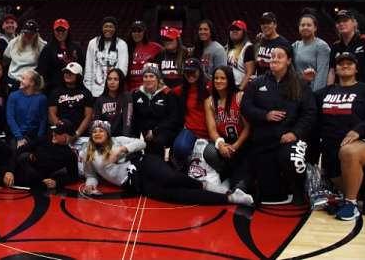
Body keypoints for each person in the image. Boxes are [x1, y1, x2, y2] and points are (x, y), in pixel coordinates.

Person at [82, 120, 254, 206]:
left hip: (143, 162)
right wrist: (90, 184)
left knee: (171, 178)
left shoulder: (118, 140)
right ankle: (231, 198)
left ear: (108, 133)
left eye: (101, 130)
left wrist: (123, 149)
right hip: (135, 183)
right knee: (179, 196)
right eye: (94, 131)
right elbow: (90, 174)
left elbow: (141, 143)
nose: (97, 133)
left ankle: (221, 189)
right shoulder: (88, 154)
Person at [241, 45, 316, 205]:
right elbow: (245, 107)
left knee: (291, 159)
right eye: (272, 56)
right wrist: (265, 115)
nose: (274, 59)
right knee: (270, 196)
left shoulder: (300, 84)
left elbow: (309, 113)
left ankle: (299, 187)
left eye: (279, 56)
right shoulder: (257, 83)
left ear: (289, 60)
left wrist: (295, 133)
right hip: (263, 140)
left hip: (289, 139)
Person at [315, 52, 365, 220]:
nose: (344, 66)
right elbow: (308, 111)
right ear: (335, 69)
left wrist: (358, 130)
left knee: (348, 152)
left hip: (361, 142)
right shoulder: (324, 92)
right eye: (340, 63)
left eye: (349, 63)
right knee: (338, 164)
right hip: (330, 149)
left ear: (356, 68)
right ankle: (346, 196)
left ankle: (351, 205)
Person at [204, 66, 250, 190]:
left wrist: (235, 146)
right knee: (209, 151)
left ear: (229, 80)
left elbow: (248, 128)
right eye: (216, 78)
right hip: (225, 144)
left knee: (239, 188)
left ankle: (239, 176)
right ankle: (226, 173)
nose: (218, 81)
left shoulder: (240, 96)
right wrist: (220, 144)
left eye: (223, 78)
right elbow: (212, 130)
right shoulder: (210, 101)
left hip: (243, 144)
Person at [15, 120, 79, 189]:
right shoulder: (44, 138)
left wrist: (57, 182)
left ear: (67, 136)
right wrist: (9, 171)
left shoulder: (70, 155)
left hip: (37, 183)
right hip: (19, 172)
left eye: (58, 133)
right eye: (55, 130)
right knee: (23, 156)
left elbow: (73, 177)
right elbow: (20, 150)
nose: (54, 133)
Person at [131, 63, 179, 155]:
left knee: (158, 142)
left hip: (163, 130)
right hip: (145, 131)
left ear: (157, 78)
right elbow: (135, 118)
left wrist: (155, 131)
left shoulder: (168, 94)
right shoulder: (136, 94)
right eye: (145, 76)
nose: (148, 79)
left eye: (151, 76)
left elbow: (173, 119)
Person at [327, 9, 365, 90]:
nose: (341, 23)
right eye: (338, 22)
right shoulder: (335, 46)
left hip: (363, 90)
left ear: (354, 23)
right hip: (341, 91)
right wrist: (329, 91)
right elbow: (332, 72)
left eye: (345, 20)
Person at [171, 58, 211, 161]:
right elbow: (167, 92)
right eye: (187, 72)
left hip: (210, 131)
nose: (190, 75)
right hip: (191, 130)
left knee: (210, 154)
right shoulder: (182, 89)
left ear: (200, 71)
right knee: (180, 148)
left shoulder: (210, 87)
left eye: (193, 72)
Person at [84, 16, 129, 97]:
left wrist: (115, 87)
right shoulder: (93, 43)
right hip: (95, 91)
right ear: (102, 28)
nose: (108, 29)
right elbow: (88, 68)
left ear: (115, 29)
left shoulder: (122, 44)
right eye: (106, 26)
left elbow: (122, 70)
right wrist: (88, 90)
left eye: (111, 27)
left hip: (114, 92)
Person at [38, 18, 84, 95]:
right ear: (53, 31)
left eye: (63, 30)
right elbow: (42, 69)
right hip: (54, 88)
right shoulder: (48, 49)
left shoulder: (77, 47)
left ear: (68, 31)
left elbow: (82, 65)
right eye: (57, 30)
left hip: (74, 87)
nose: (60, 33)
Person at [49, 62, 93, 141]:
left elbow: (88, 116)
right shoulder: (56, 92)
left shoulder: (86, 93)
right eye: (66, 72)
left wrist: (76, 134)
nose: (67, 75)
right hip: (60, 134)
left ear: (79, 76)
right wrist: (61, 131)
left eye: (71, 73)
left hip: (81, 135)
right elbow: (51, 113)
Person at [6, 69, 48, 153]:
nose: (20, 80)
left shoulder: (41, 98)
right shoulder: (13, 96)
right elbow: (10, 118)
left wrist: (39, 140)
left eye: (23, 78)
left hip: (34, 136)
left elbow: (43, 120)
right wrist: (19, 138)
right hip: (16, 135)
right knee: (17, 154)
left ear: (32, 83)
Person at [4, 19, 46, 90]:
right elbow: (5, 60)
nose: (28, 36)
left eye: (31, 34)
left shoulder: (42, 45)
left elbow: (43, 66)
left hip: (31, 82)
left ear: (36, 34)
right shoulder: (13, 43)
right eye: (26, 33)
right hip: (14, 80)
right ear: (22, 32)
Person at [292, 13, 330, 92]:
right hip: (297, 91)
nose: (305, 27)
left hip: (313, 92)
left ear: (315, 28)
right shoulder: (295, 45)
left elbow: (322, 74)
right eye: (302, 25)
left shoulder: (322, 46)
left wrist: (316, 95)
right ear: (299, 27)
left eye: (309, 25)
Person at [93, 68, 133, 137]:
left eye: (116, 79)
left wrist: (124, 138)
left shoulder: (126, 97)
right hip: (105, 138)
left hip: (122, 137)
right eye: (109, 79)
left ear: (121, 81)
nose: (112, 82)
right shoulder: (100, 100)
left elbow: (127, 121)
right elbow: (96, 123)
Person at [125, 20, 163, 91]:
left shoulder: (155, 47)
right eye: (134, 31)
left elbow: (170, 49)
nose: (136, 33)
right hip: (129, 90)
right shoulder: (125, 47)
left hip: (148, 89)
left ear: (144, 32)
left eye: (139, 31)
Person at [255, 12, 292, 76]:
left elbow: (288, 67)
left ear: (275, 25)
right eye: (263, 23)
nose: (265, 25)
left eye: (268, 22)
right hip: (260, 82)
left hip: (276, 82)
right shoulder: (260, 40)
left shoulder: (283, 43)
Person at [225, 20, 255, 90]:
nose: (234, 31)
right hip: (229, 86)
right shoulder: (227, 48)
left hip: (240, 87)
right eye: (232, 29)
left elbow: (250, 72)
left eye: (238, 29)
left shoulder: (248, 48)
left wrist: (240, 89)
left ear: (244, 32)